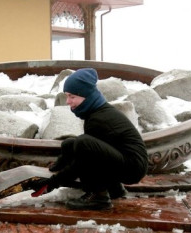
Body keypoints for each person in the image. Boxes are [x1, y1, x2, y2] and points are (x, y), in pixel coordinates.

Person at [30, 68, 148, 210]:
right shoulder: (97, 111)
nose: (68, 101)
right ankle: (115, 189)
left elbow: (83, 164)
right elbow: (102, 152)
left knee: (83, 144)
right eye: (67, 96)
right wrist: (58, 166)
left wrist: (51, 183)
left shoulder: (98, 120)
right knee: (70, 143)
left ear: (85, 95)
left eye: (72, 97)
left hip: (133, 168)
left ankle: (98, 197)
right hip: (128, 161)